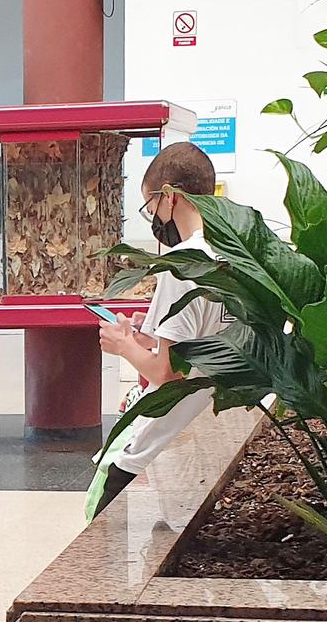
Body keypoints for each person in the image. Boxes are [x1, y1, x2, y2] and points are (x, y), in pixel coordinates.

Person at [89, 141, 231, 517]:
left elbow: (169, 374)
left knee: (97, 535)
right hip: (214, 435)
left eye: (150, 206)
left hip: (163, 437)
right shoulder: (235, 252)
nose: (152, 217)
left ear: (169, 196)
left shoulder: (183, 264)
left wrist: (122, 346)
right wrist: (143, 337)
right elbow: (202, 338)